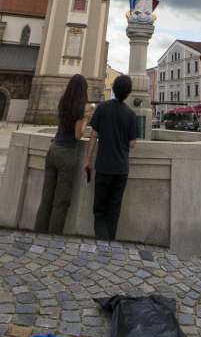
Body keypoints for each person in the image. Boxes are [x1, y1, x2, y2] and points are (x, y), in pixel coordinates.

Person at [84, 74, 137, 241]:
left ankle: (102, 241)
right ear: (128, 93)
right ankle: (110, 242)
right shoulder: (131, 115)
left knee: (99, 209)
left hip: (104, 167)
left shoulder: (102, 108)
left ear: (113, 89)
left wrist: (87, 160)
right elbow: (133, 143)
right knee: (114, 209)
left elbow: (93, 136)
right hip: (121, 169)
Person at [34, 74, 88, 234]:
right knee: (61, 201)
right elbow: (78, 135)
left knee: (46, 198)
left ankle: (39, 231)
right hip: (67, 153)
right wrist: (86, 119)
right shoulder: (80, 108)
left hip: (53, 149)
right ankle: (52, 236)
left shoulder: (63, 102)